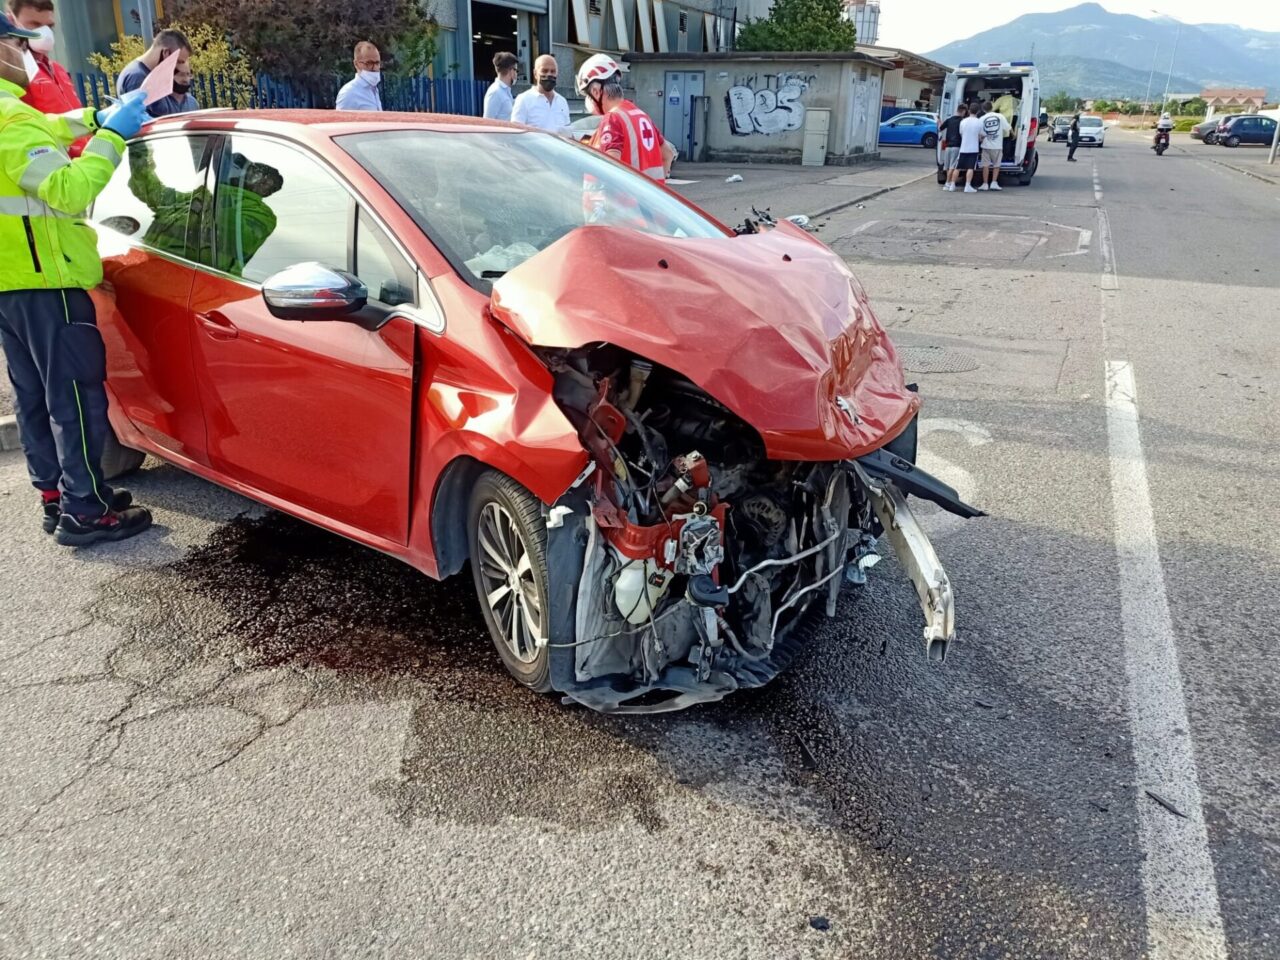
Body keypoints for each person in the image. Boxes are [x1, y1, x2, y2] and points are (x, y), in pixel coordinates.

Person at [0, 15, 154, 544]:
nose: (26, 54)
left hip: (11, 285)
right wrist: (110, 135)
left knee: (35, 395)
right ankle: (85, 511)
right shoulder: (12, 121)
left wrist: (92, 115)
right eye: (18, 44)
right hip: (52, 281)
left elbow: (48, 129)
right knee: (75, 399)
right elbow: (66, 190)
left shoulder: (12, 117)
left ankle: (55, 493)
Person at [575, 53, 674, 181]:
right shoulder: (640, 115)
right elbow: (668, 154)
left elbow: (611, 166)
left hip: (621, 200)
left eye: (587, 95)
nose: (589, 100)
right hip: (645, 199)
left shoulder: (613, 119)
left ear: (595, 92)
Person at [116, 28, 190, 101]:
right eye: (178, 62)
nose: (179, 68)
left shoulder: (143, 74)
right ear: (166, 53)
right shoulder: (137, 77)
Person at [512, 54, 571, 136]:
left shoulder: (562, 101)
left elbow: (568, 134)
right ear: (535, 74)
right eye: (544, 71)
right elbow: (516, 133)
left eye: (553, 71)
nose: (549, 74)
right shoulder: (523, 100)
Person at [336, 41, 381, 112]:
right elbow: (341, 122)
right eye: (369, 63)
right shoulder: (349, 93)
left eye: (377, 63)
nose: (375, 68)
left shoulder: (374, 90)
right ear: (356, 64)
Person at [978, 99, 1009, 190]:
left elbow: (980, 134)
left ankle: (985, 184)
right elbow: (1007, 128)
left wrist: (981, 139)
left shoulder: (981, 119)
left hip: (986, 146)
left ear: (983, 109)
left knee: (985, 165)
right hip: (997, 146)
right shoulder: (1000, 116)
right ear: (992, 107)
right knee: (996, 165)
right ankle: (994, 183)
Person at [956, 102, 983, 193]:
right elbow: (981, 135)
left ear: (969, 110)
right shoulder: (979, 122)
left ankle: (951, 185)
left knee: (958, 167)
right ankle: (967, 186)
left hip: (963, 147)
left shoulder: (963, 121)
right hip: (973, 148)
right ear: (978, 111)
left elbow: (961, 133)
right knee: (970, 168)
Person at [483, 51, 517, 121]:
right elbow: (487, 122)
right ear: (511, 71)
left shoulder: (505, 91)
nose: (516, 74)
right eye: (516, 70)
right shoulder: (495, 92)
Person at [938, 102, 965, 192]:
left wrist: (939, 121)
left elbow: (940, 128)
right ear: (963, 111)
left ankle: (947, 183)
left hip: (948, 146)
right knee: (953, 167)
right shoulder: (962, 121)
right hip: (957, 146)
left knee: (947, 166)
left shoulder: (949, 120)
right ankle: (948, 183)